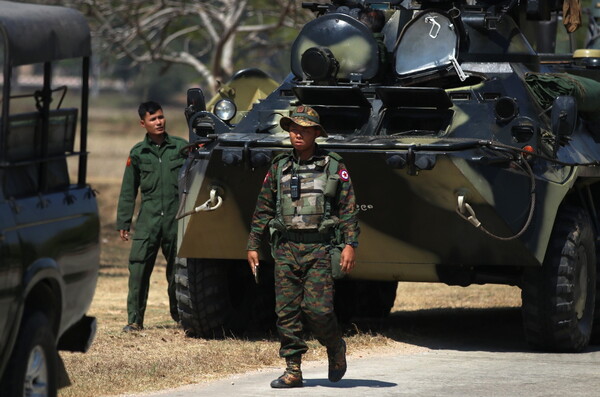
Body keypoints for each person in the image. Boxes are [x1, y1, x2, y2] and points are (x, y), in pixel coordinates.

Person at [246, 106, 360, 388]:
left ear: (316, 134)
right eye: (294, 128)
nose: (298, 133)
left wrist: (350, 245)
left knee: (317, 311)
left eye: (305, 129)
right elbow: (262, 208)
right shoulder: (280, 166)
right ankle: (293, 369)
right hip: (286, 248)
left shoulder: (333, 166)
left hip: (320, 249)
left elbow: (348, 209)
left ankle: (334, 346)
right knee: (286, 313)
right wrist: (253, 244)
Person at [116, 101, 188, 332]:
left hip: (175, 218)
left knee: (178, 270)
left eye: (160, 117)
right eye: (153, 119)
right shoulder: (138, 153)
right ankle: (134, 320)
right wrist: (124, 222)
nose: (158, 122)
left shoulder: (180, 148)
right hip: (148, 219)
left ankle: (180, 317)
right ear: (142, 123)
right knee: (138, 268)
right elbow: (129, 190)